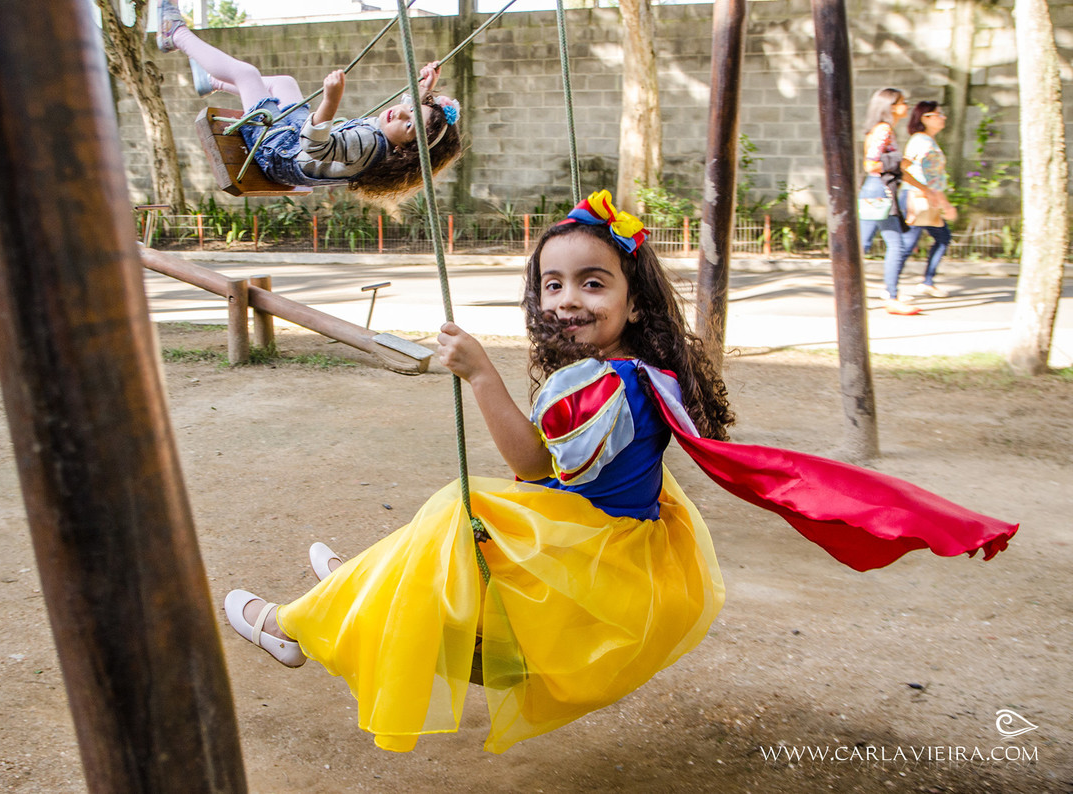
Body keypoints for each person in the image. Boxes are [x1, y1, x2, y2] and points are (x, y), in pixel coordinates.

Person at [222, 191, 1017, 755]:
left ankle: (296, 625)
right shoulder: (630, 367)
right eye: (553, 284)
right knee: (446, 527)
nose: (567, 298)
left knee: (453, 514)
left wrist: (480, 377)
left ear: (634, 302)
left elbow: (530, 465)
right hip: (624, 535)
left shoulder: (605, 388)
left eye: (593, 284)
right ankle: (360, 583)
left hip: (595, 556)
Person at [155, 1, 462, 207]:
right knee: (284, 83)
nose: (401, 112)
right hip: (293, 141)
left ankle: (175, 34)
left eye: (408, 123)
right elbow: (411, 115)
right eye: (410, 109)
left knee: (247, 74)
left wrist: (330, 101)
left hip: (277, 153)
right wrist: (425, 88)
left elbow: (316, 147)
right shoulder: (388, 139)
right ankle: (213, 83)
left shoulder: (367, 143)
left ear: (404, 150)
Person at [858, 87, 940, 315]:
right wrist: (898, 161)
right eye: (903, 102)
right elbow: (871, 164)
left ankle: (855, 293)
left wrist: (924, 188)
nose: (907, 106)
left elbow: (898, 169)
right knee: (895, 245)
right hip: (880, 190)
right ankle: (891, 298)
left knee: (863, 245)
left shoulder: (885, 130)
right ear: (891, 106)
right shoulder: (883, 130)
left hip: (875, 190)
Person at [901, 101, 957, 298]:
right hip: (919, 199)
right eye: (938, 114)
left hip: (923, 197)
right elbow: (927, 177)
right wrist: (945, 204)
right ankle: (891, 289)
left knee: (942, 238)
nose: (943, 117)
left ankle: (927, 281)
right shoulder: (923, 142)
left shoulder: (925, 141)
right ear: (925, 118)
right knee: (907, 243)